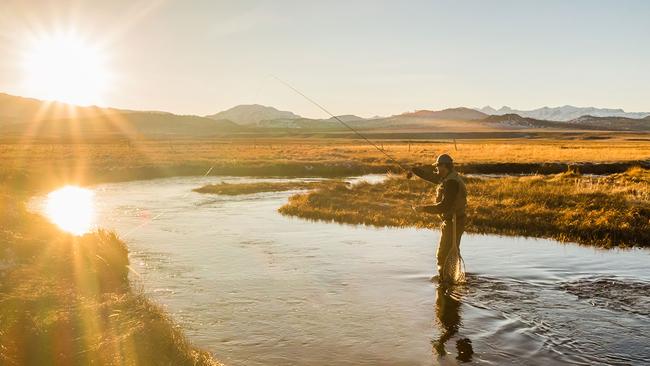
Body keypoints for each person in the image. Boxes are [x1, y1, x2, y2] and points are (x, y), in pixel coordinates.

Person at [407, 154, 467, 284]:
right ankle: (449, 280)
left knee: (442, 255)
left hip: (453, 223)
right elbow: (431, 177)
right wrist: (414, 170)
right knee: (448, 253)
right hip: (454, 221)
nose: (437, 169)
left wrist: (423, 209)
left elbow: (444, 206)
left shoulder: (451, 183)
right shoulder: (447, 178)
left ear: (444, 166)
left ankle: (445, 283)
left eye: (438, 166)